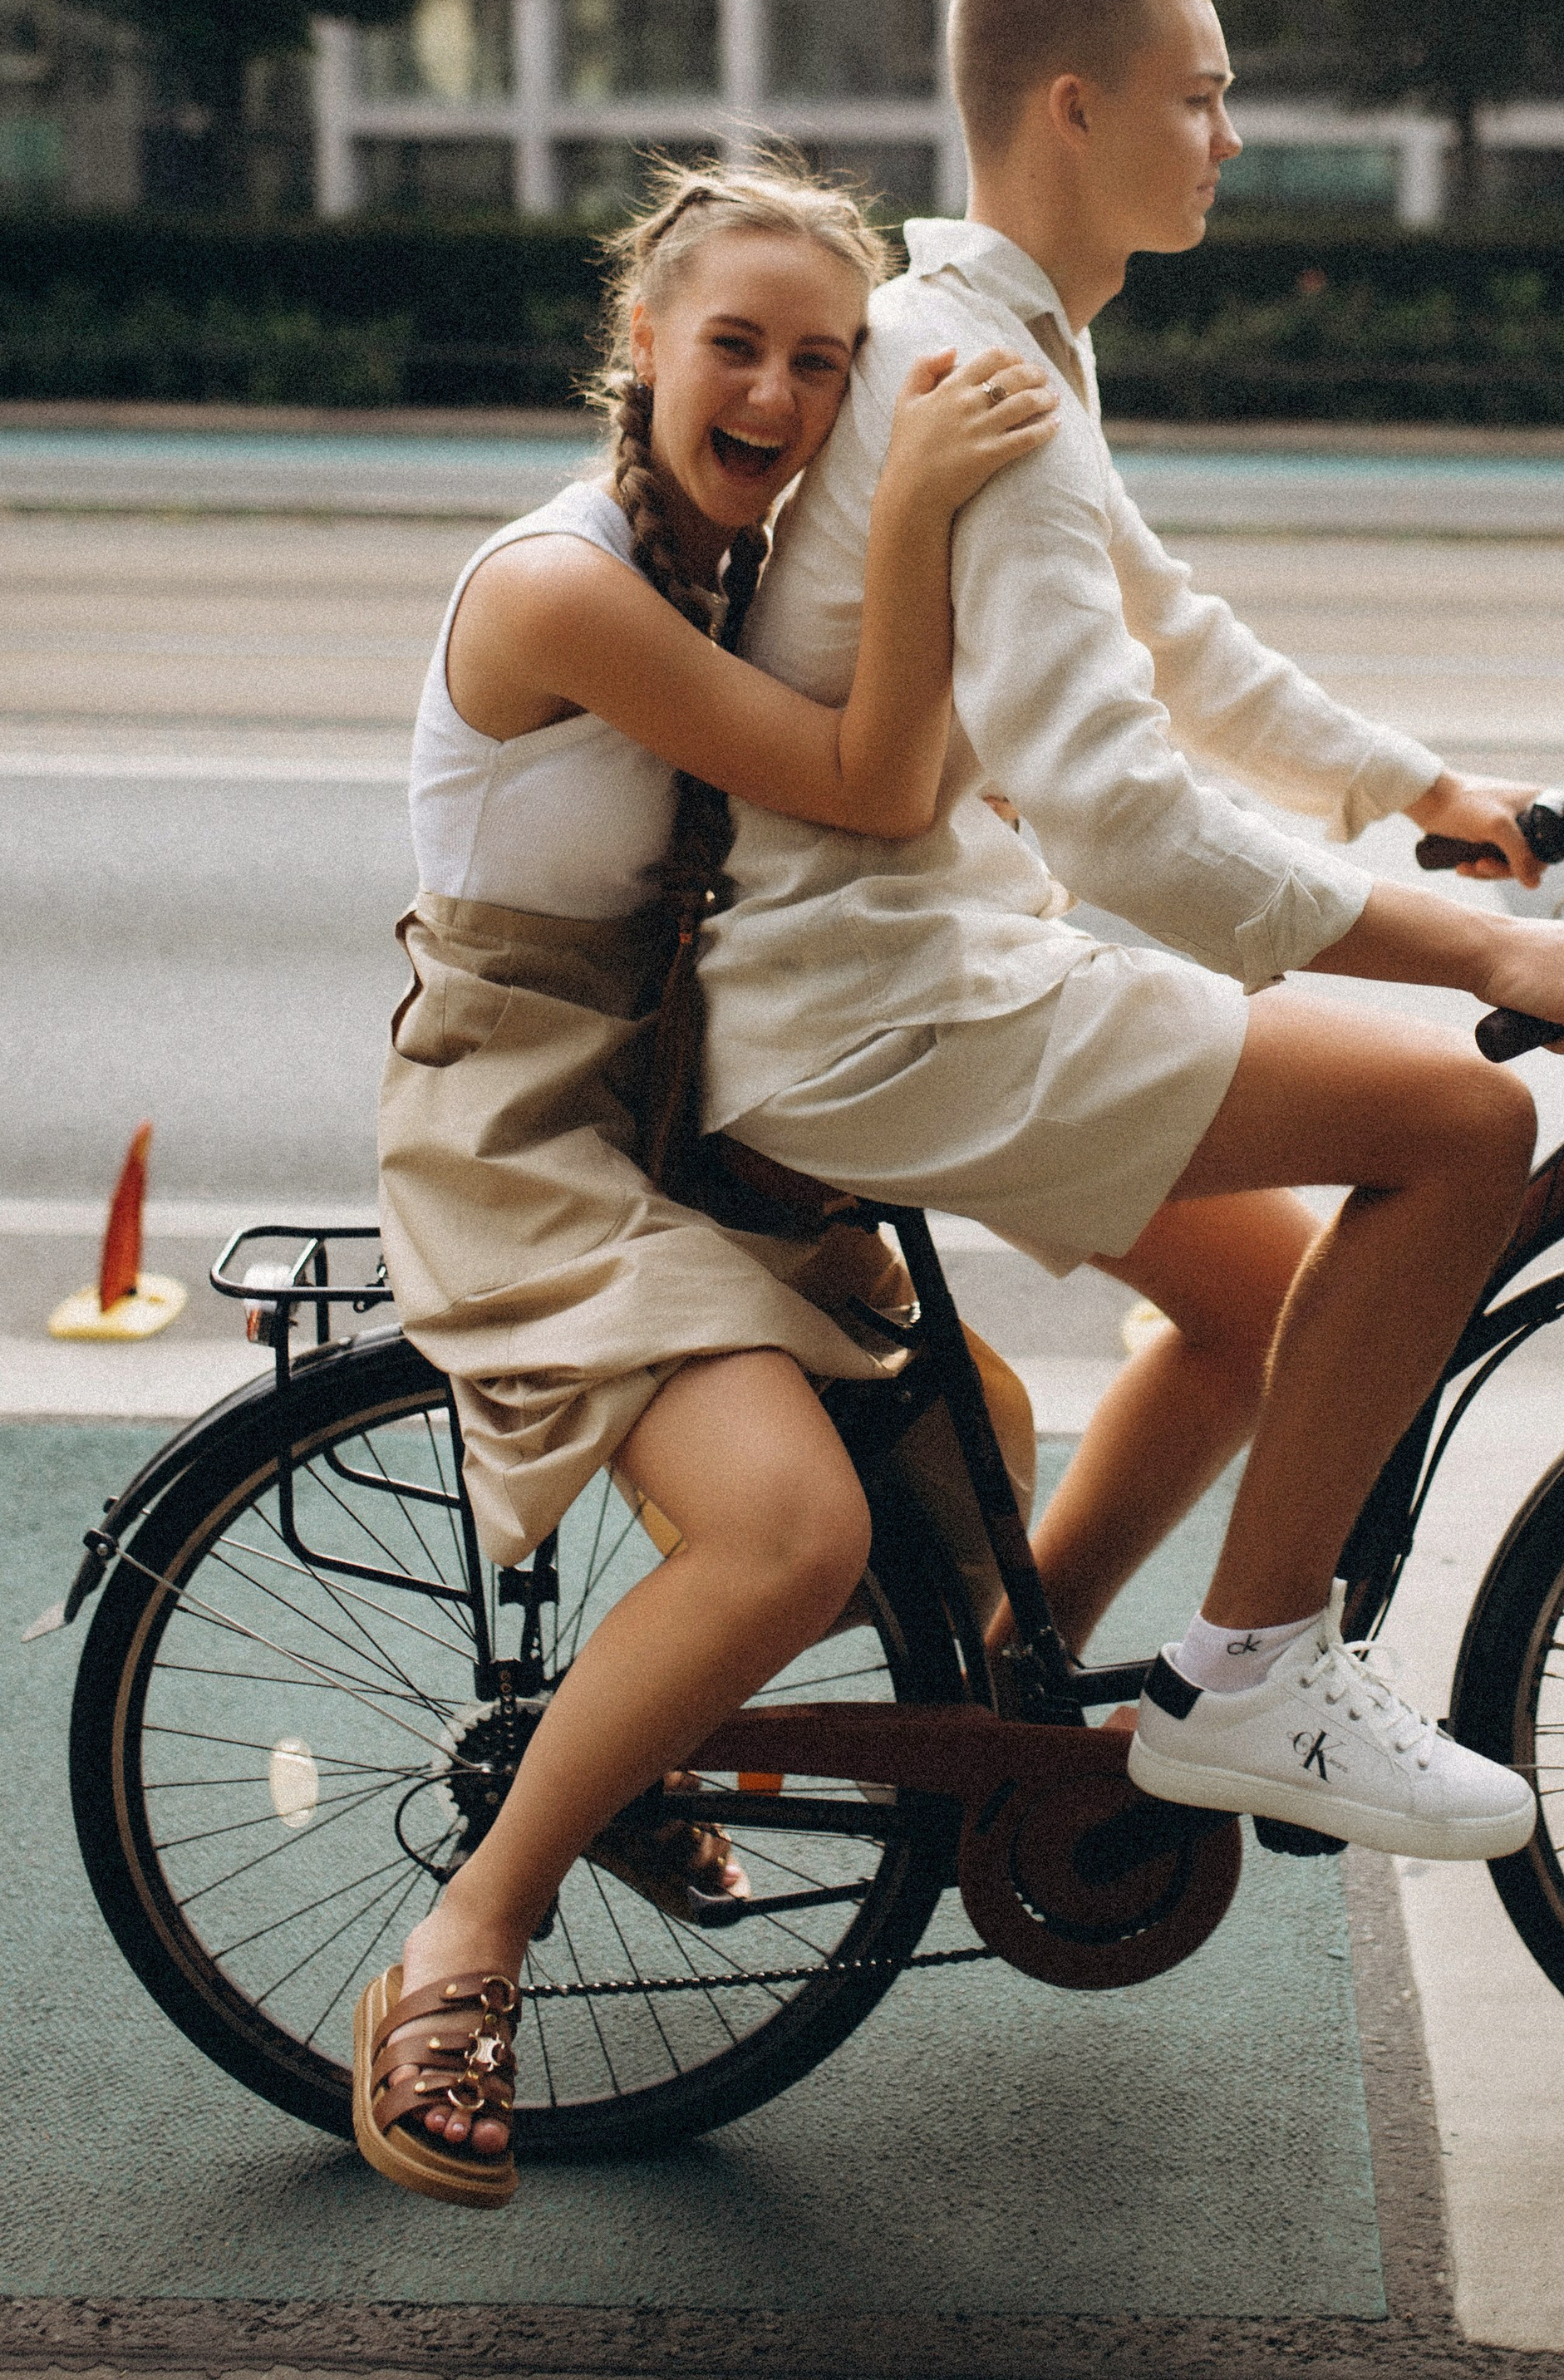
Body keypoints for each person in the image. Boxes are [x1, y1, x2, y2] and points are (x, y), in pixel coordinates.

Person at [701, 0, 1564, 1861]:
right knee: (1455, 1121)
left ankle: (1009, 1704)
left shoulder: (1005, 340)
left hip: (890, 969)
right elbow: (1120, 816)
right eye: (1203, 97)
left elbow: (1169, 634)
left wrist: (1432, 789)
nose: (1231, 139)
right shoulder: (981, 381)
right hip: (883, 997)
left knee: (1266, 1298)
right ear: (1073, 107)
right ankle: (1253, 1679)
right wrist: (1485, 944)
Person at [352, 160, 1059, 2209]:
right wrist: (919, 501)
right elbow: (870, 775)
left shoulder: (750, 569)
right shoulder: (562, 584)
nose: (774, 391)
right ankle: (467, 1939)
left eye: (824, 362)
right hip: (536, 1120)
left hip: (702, 1104)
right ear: (640, 347)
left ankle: (649, 1749)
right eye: (733, 344)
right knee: (785, 1525)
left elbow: (913, 777)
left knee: (969, 1452)